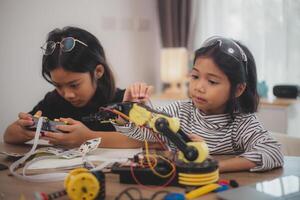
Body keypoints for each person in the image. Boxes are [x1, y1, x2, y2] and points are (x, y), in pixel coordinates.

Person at [114, 36, 284, 172]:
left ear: (238, 89)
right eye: (195, 77)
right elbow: (141, 132)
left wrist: (212, 165)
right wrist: (127, 110)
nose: (199, 87)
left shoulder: (241, 123)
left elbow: (272, 152)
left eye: (212, 81)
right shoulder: (179, 111)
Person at [3, 26, 145, 149]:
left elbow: (151, 141)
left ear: (98, 71)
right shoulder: (54, 101)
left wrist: (88, 137)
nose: (67, 94)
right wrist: (25, 130)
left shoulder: (123, 101)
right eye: (58, 85)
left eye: (74, 85)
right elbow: (8, 135)